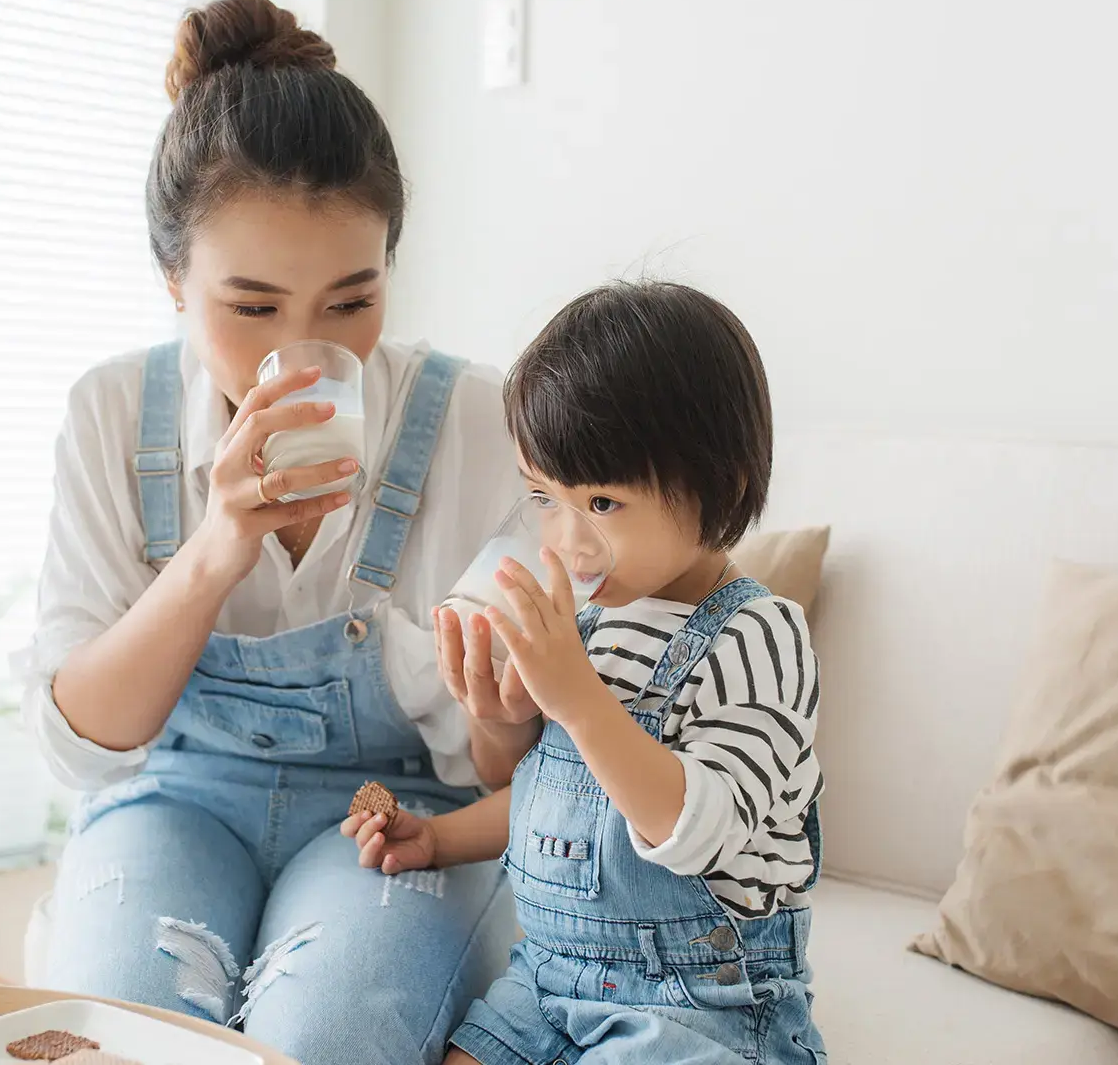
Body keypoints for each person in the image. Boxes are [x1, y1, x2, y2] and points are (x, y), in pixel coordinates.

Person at [18, 0, 535, 1062]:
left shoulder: (479, 422)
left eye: (352, 303)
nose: (299, 356)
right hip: (175, 801)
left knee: (333, 1034)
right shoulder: (114, 415)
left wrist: (506, 701)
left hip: (395, 815)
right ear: (173, 280)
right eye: (251, 308)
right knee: (120, 1033)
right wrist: (217, 547)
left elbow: (494, 770)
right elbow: (80, 743)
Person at [342, 282, 831, 1064]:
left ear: (721, 486)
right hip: (549, 981)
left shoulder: (757, 634)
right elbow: (555, 804)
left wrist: (577, 699)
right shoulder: (594, 624)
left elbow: (693, 829)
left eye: (601, 502)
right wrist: (445, 819)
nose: (567, 541)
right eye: (543, 497)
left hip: (700, 1003)